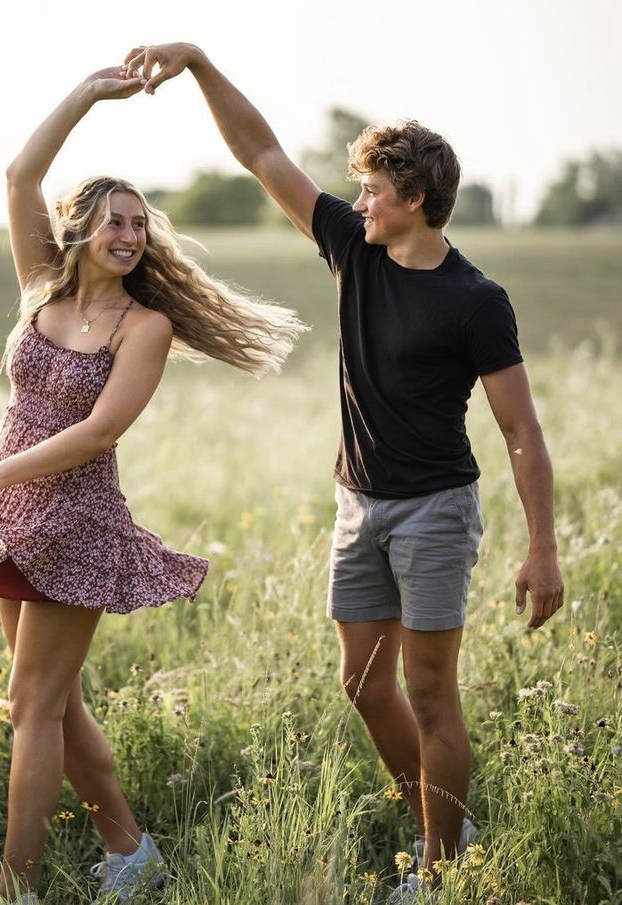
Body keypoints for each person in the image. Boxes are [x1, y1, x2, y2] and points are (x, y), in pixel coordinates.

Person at [122, 43, 566, 902]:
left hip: (436, 510)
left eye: (373, 190)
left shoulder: (476, 300)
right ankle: (443, 819)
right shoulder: (353, 248)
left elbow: (521, 430)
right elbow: (261, 154)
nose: (357, 199)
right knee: (363, 684)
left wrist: (542, 547)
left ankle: (437, 871)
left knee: (431, 694)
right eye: (358, 188)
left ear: (417, 202)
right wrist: (201, 65)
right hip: (357, 505)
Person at [0, 65, 306, 905]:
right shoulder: (40, 285)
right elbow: (20, 175)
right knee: (51, 697)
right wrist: (88, 95)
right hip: (9, 510)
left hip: (74, 521)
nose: (130, 233)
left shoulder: (145, 325)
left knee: (31, 703)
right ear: (80, 227)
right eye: (116, 220)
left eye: (140, 225)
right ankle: (129, 849)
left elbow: (100, 431)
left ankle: (13, 886)